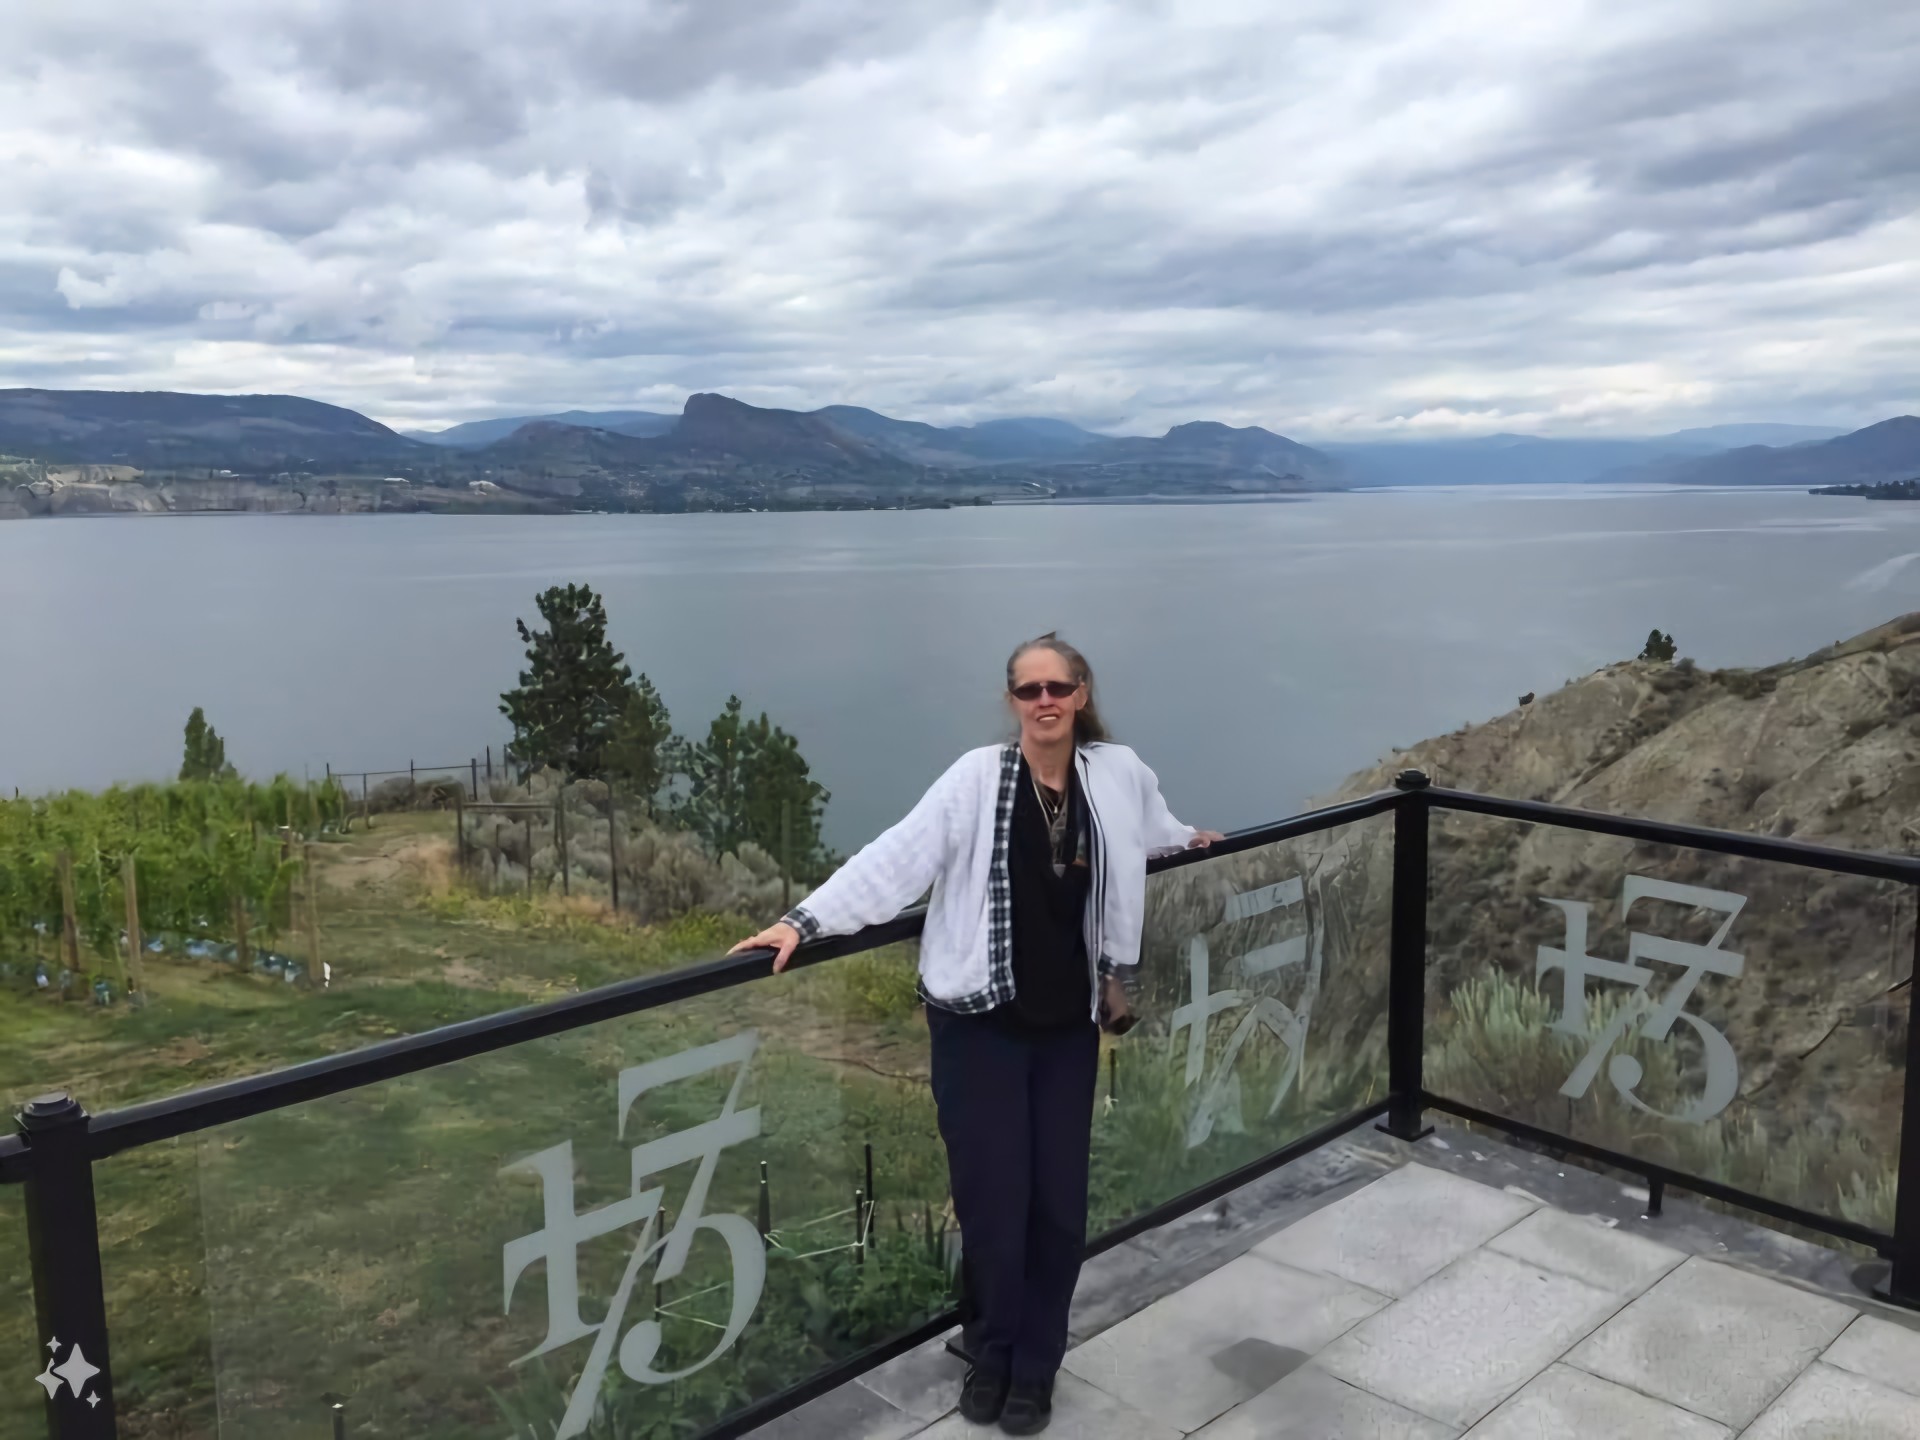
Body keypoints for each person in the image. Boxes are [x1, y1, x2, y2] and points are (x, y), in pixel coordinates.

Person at [732, 633, 1221, 1434]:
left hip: (1065, 1028)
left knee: (1057, 1204)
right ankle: (990, 1351)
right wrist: (804, 921)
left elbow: (1150, 822)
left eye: (1057, 686)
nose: (1044, 702)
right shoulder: (977, 780)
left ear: (1082, 692)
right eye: (1027, 691)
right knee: (993, 1202)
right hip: (977, 1028)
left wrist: (1189, 837)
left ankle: (1036, 1365)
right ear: (1012, 702)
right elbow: (898, 858)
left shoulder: (1115, 773)